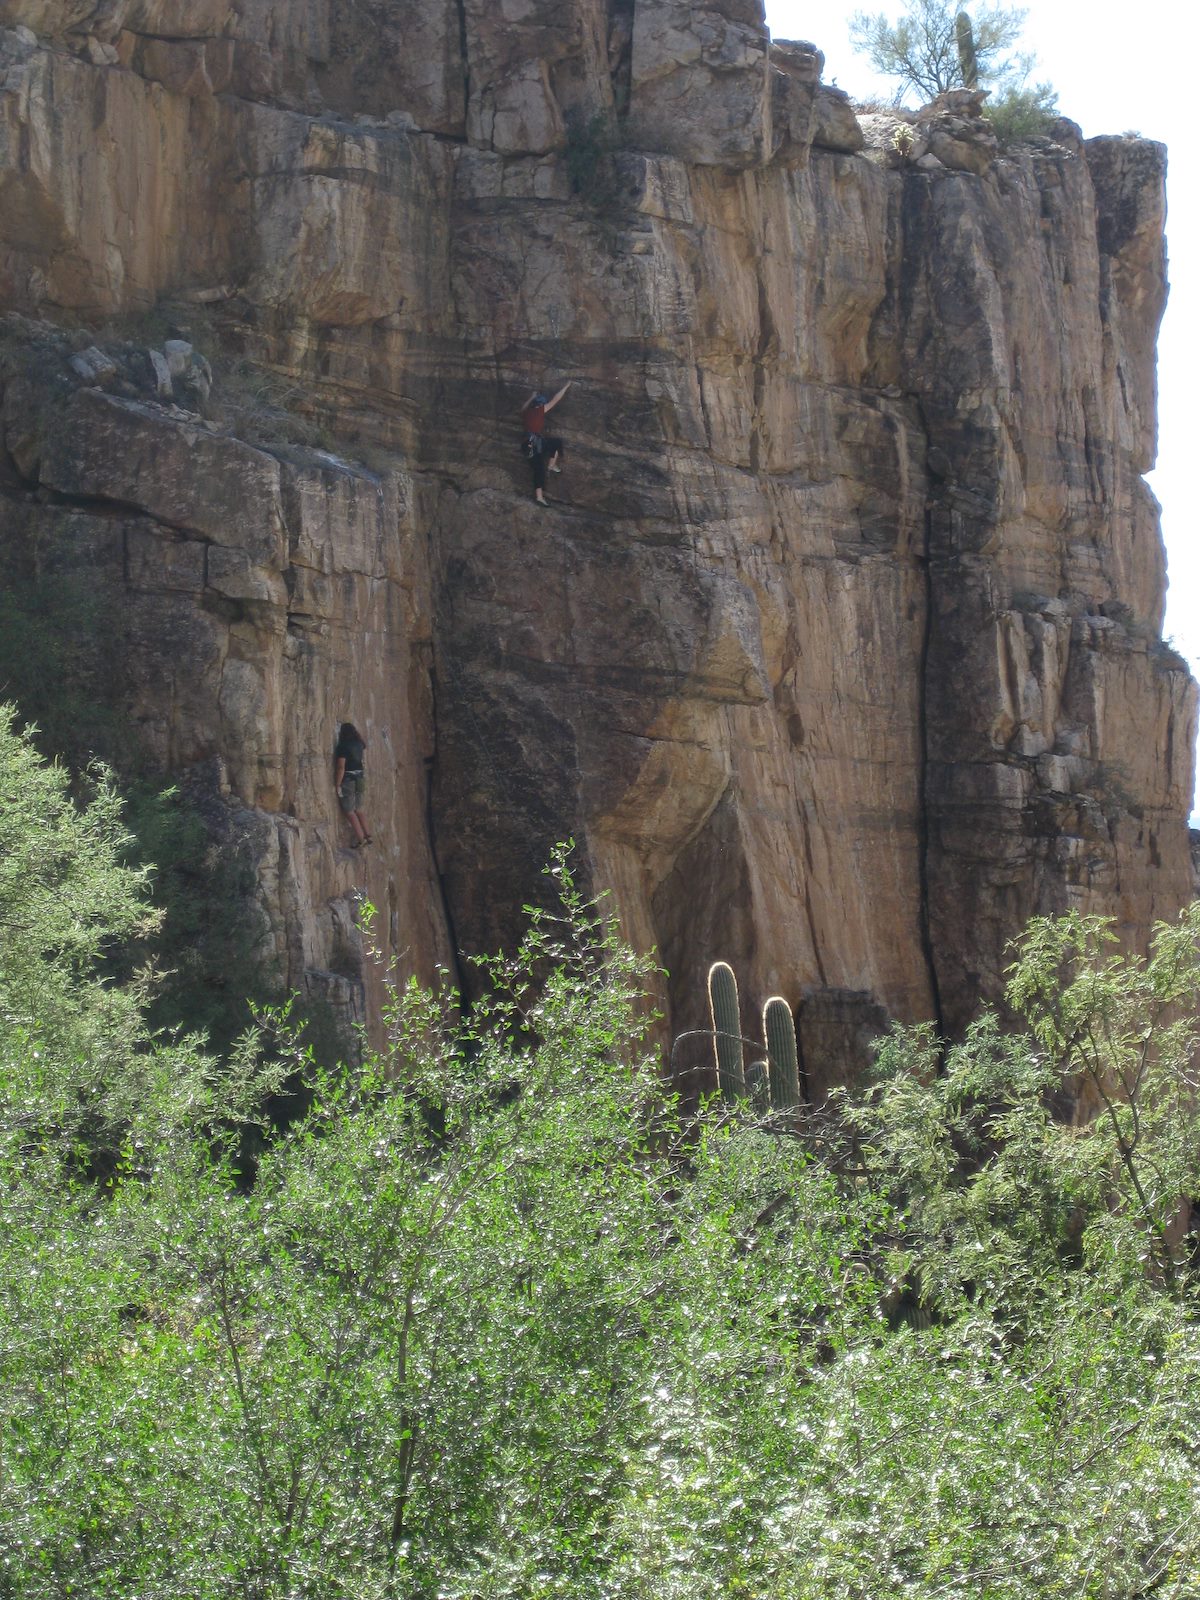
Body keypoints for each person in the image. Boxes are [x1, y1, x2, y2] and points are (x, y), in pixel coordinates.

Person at [520, 381, 571, 506]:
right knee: (555, 444)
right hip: (534, 444)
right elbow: (555, 399)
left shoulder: (527, 413)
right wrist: (566, 386)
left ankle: (540, 496)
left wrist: (531, 397)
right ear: (541, 405)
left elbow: (522, 408)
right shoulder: (539, 411)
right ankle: (551, 466)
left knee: (539, 467)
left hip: (528, 444)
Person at [334, 721, 371, 848]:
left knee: (350, 812)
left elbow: (341, 767)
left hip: (349, 780)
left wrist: (338, 785)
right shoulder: (360, 744)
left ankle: (361, 840)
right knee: (359, 809)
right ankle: (368, 835)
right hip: (360, 778)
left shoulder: (343, 747)